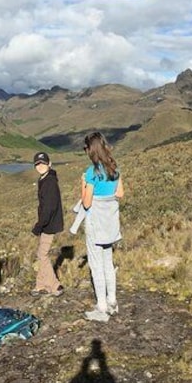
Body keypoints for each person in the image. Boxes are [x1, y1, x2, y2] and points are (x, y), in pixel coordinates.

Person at [80, 132, 124, 323]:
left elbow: (87, 203)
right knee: (108, 262)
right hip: (110, 225)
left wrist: (83, 184)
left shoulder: (91, 173)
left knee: (96, 266)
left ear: (92, 150)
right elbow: (120, 194)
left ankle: (102, 307)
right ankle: (112, 301)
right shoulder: (115, 169)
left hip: (95, 224)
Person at [30, 151, 65, 297]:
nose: (40, 166)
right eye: (37, 164)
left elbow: (49, 207)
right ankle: (40, 285)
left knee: (42, 254)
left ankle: (55, 286)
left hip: (48, 225)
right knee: (41, 253)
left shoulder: (49, 182)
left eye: (43, 163)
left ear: (49, 164)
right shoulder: (45, 179)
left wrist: (39, 225)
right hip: (48, 223)